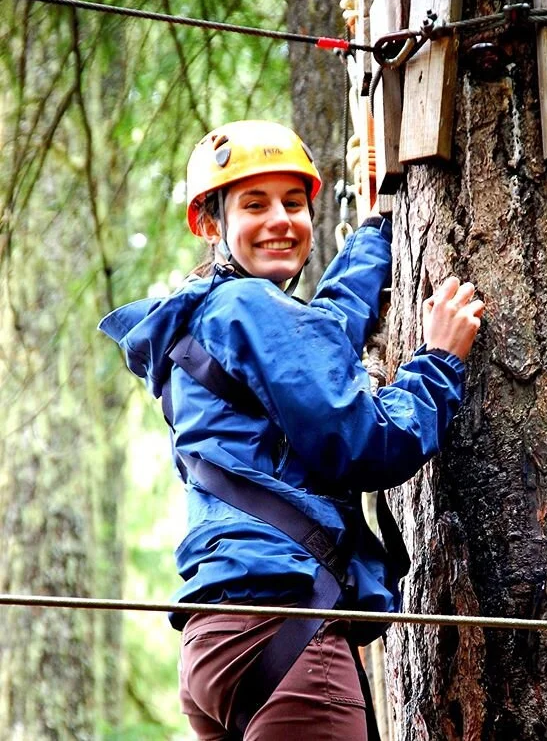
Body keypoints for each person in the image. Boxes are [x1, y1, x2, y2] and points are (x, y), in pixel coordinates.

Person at [99, 120, 484, 741]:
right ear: (208, 222)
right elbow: (362, 443)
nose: (280, 219)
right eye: (254, 204)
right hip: (284, 629)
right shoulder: (250, 308)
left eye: (294, 202)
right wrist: (438, 363)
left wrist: (374, 241)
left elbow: (318, 339)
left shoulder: (204, 321)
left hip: (216, 641)